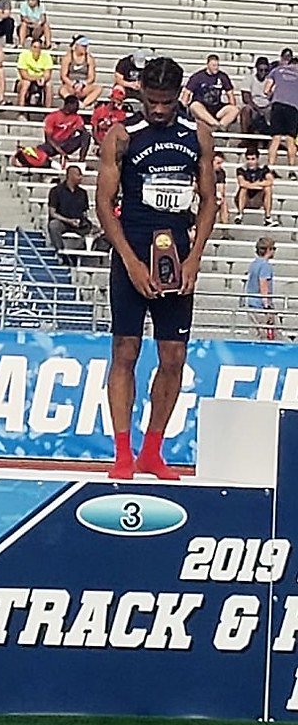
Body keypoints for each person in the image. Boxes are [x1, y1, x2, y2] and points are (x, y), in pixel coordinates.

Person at [95, 56, 216, 480]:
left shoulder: (197, 136)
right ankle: (123, 453)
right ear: (140, 93)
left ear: (178, 97)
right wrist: (130, 261)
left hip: (177, 256)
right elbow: (104, 206)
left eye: (166, 102)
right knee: (125, 350)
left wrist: (194, 258)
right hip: (133, 250)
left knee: (174, 355)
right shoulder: (123, 136)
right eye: (152, 101)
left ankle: (153, 449)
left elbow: (208, 202)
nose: (159, 110)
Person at [181, 54, 239, 130]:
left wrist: (232, 106)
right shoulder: (198, 77)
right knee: (194, 105)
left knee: (235, 110)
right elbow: (187, 92)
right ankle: (215, 124)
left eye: (217, 65)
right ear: (208, 65)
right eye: (214, 65)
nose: (216, 68)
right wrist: (182, 108)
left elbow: (230, 93)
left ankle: (221, 126)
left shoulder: (222, 76)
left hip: (216, 108)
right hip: (201, 106)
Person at [263, 56, 298, 178]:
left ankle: (270, 168)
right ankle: (292, 170)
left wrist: (275, 96)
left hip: (277, 105)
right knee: (290, 139)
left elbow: (266, 90)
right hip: (293, 107)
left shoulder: (277, 70)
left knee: (276, 138)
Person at [47, 165, 92, 259]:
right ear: (71, 176)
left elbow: (85, 212)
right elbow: (52, 213)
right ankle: (61, 252)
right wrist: (69, 221)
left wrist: (81, 221)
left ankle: (80, 252)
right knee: (53, 225)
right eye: (79, 175)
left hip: (79, 223)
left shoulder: (83, 193)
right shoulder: (56, 191)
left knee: (96, 230)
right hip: (63, 222)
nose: (81, 178)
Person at [234, 146, 277, 226]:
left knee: (268, 189)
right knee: (243, 189)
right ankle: (239, 214)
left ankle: (268, 217)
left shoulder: (263, 168)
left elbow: (270, 181)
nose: (250, 162)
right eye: (248, 159)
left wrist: (252, 185)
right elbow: (242, 183)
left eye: (253, 159)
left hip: (258, 198)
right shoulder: (241, 169)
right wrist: (259, 184)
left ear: (257, 159)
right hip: (245, 198)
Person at [43, 96, 92, 163]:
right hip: (53, 144)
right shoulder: (52, 116)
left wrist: (81, 129)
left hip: (67, 143)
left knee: (86, 135)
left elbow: (84, 132)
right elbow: (48, 139)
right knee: (41, 149)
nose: (77, 108)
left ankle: (81, 161)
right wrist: (60, 151)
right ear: (69, 105)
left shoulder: (77, 117)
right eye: (76, 105)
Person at [245, 236, 276, 340]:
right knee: (266, 336)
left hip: (251, 303)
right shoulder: (265, 266)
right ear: (268, 250)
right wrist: (267, 306)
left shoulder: (254, 264)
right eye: (273, 248)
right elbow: (263, 284)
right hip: (260, 306)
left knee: (254, 335)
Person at [59, 36, 102, 107]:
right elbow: (63, 76)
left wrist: (83, 84)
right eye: (83, 46)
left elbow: (91, 77)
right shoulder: (68, 57)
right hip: (70, 85)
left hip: (83, 86)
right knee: (62, 90)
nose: (85, 48)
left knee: (98, 88)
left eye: (86, 46)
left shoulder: (89, 58)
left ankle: (83, 104)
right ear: (76, 46)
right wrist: (73, 84)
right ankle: (71, 101)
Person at [17, 38, 53, 110]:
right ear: (31, 48)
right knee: (26, 83)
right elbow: (24, 74)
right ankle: (21, 110)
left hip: (41, 80)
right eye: (35, 47)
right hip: (26, 79)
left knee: (49, 84)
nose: (37, 50)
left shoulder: (47, 56)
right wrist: (37, 78)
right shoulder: (23, 56)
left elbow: (47, 73)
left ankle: (47, 110)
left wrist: (43, 79)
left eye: (39, 48)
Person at [241, 57, 271, 134]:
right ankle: (245, 137)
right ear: (256, 69)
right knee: (246, 110)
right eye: (261, 70)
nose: (263, 72)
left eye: (266, 70)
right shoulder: (249, 78)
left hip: (267, 106)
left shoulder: (270, 80)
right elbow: (246, 98)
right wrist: (257, 109)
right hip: (253, 105)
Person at [213, 151, 230, 226]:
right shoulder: (202, 171)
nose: (220, 166)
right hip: (201, 196)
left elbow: (221, 189)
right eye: (218, 163)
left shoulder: (221, 173)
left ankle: (225, 230)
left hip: (214, 196)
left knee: (223, 203)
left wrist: (219, 196)